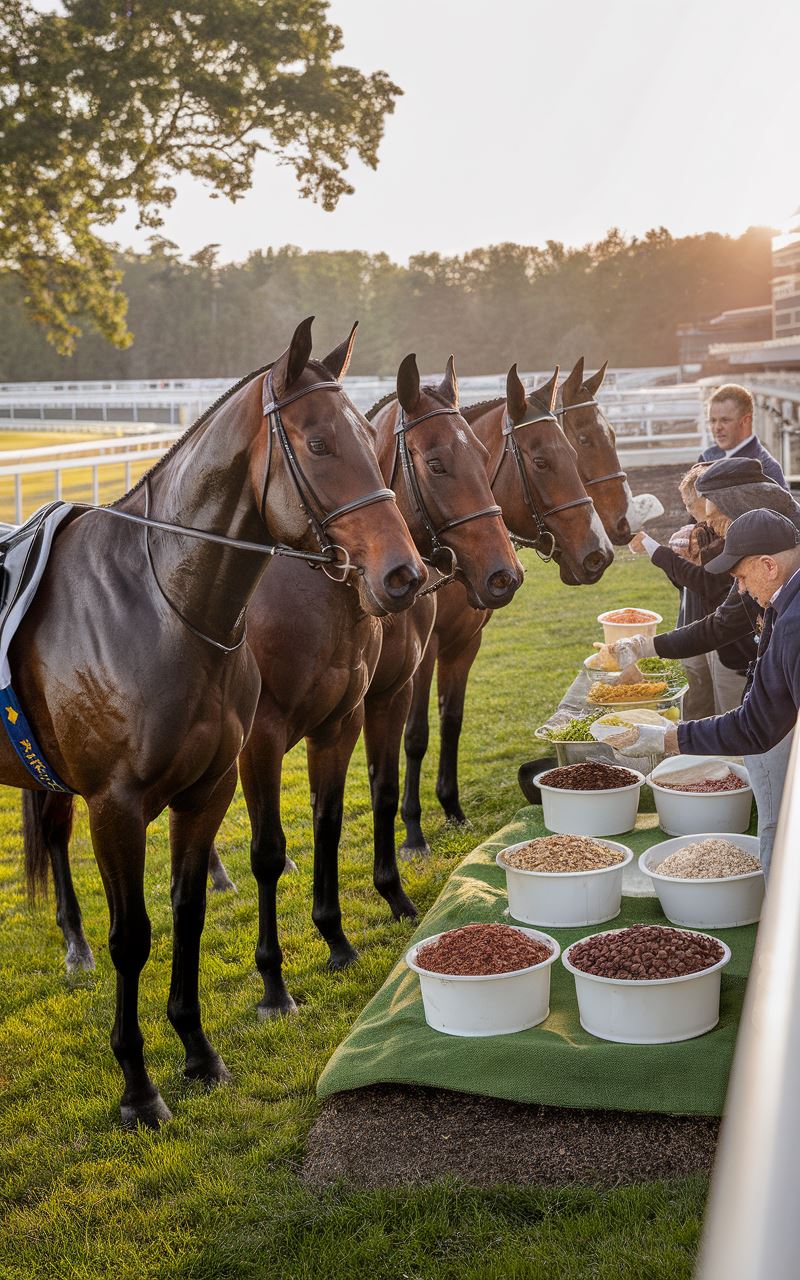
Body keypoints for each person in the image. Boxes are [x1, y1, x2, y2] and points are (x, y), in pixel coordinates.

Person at [609, 510, 800, 875]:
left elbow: (754, 728)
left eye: (741, 578)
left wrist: (666, 739)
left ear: (768, 566)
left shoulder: (794, 624)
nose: (740, 589)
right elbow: (759, 723)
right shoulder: (782, 604)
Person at [630, 457, 794, 713]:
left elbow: (721, 624)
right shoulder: (765, 537)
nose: (709, 528)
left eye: (714, 520)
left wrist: (646, 646)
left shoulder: (765, 559)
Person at [702, 383, 787, 488]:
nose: (717, 427)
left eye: (725, 420)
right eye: (713, 420)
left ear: (746, 421)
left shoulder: (768, 470)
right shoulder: (706, 458)